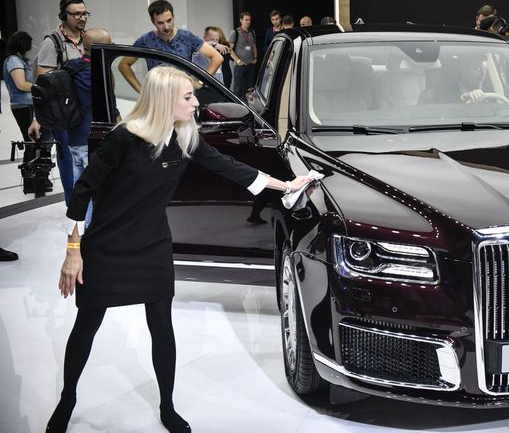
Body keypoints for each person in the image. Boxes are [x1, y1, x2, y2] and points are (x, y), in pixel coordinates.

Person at [46, 66, 312, 433]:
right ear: (164, 100)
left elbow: (231, 168)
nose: (195, 102)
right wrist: (73, 251)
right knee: (86, 326)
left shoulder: (185, 138)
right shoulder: (125, 137)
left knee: (161, 327)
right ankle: (67, 399)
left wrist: (286, 185)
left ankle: (167, 406)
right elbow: (83, 191)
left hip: (153, 244)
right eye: (187, 97)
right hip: (107, 246)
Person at [51, 28, 112, 225]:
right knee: (96, 191)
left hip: (73, 138)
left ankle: (79, 230)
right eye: (110, 44)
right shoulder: (93, 73)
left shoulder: (70, 66)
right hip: (90, 141)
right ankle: (90, 231)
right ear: (100, 48)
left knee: (80, 190)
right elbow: (106, 103)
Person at [118, 0, 222, 93]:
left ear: (173, 17)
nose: (166, 26)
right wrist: (141, 90)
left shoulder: (186, 37)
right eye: (160, 23)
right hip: (158, 96)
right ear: (153, 22)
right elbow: (123, 65)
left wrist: (201, 82)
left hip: (184, 94)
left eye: (169, 20)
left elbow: (217, 57)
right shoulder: (146, 40)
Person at [28, 0, 90, 152]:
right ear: (63, 16)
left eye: (84, 13)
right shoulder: (52, 43)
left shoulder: (88, 38)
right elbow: (42, 85)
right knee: (69, 157)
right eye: (77, 14)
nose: (83, 18)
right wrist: (37, 118)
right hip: (64, 112)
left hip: (86, 110)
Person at [2, 31, 48, 196]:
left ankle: (35, 181)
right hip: (23, 106)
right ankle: (32, 182)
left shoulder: (19, 60)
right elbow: (21, 84)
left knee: (34, 142)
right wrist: (41, 88)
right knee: (32, 142)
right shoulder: (14, 60)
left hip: (27, 105)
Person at [229, 12, 257, 101]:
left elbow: (254, 46)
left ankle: (248, 107)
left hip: (250, 64)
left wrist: (255, 58)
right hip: (240, 66)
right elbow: (230, 49)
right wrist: (238, 61)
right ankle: (236, 106)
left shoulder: (252, 32)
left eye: (249, 20)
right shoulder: (235, 32)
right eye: (246, 20)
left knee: (249, 89)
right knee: (238, 89)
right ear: (241, 20)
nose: (248, 22)